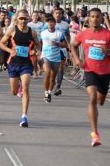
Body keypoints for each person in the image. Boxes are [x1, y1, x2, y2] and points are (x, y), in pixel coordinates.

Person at [71, 8, 110, 147]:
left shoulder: (108, 34)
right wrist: (76, 59)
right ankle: (95, 134)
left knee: (100, 101)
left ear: (101, 19)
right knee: (92, 98)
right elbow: (73, 45)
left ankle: (102, 97)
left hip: (105, 73)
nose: (95, 19)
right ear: (88, 18)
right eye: (92, 16)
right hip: (90, 71)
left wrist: (108, 52)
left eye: (97, 17)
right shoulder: (84, 34)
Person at [0, 9, 40, 127]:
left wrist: (35, 51)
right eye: (21, 18)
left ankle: (24, 117)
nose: (23, 21)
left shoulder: (32, 33)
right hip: (13, 63)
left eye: (25, 19)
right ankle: (19, 86)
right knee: (14, 91)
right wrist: (10, 50)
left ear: (28, 19)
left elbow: (38, 44)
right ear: (17, 19)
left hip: (26, 64)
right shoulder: (12, 30)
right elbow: (1, 43)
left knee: (26, 88)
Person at [40, 16, 67, 103]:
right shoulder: (43, 33)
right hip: (45, 56)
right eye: (48, 22)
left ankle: (49, 92)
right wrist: (38, 52)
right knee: (47, 73)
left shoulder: (59, 34)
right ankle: (45, 93)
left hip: (56, 58)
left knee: (52, 78)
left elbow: (65, 44)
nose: (50, 24)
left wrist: (58, 44)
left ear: (55, 23)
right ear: (47, 23)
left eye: (52, 22)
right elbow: (39, 43)